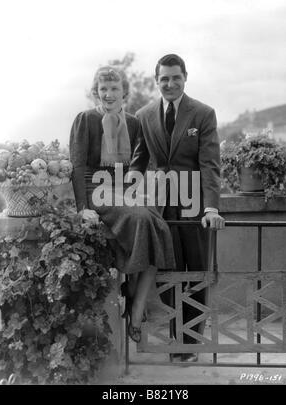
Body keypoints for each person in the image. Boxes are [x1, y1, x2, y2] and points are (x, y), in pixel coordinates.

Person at [129, 54, 225, 361]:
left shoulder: (203, 113)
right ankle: (175, 338)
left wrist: (211, 208)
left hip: (195, 207)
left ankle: (191, 342)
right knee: (167, 273)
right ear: (157, 81)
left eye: (175, 77)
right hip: (159, 207)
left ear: (185, 77)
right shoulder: (143, 114)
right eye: (164, 79)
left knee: (195, 272)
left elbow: (210, 165)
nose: (170, 84)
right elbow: (138, 160)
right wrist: (123, 194)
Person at [69, 66, 176, 343]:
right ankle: (129, 293)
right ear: (96, 92)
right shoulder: (85, 119)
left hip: (124, 191)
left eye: (114, 88)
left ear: (123, 92)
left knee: (157, 224)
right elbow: (78, 167)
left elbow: (139, 164)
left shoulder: (133, 122)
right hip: (97, 190)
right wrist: (83, 208)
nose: (108, 94)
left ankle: (136, 307)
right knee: (141, 218)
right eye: (103, 89)